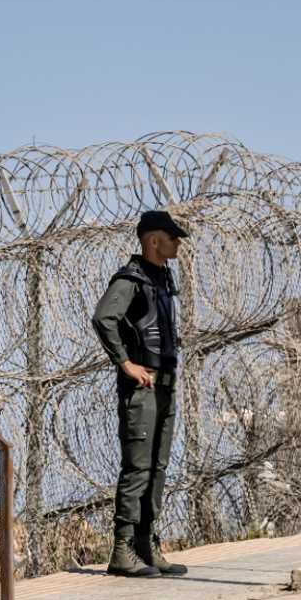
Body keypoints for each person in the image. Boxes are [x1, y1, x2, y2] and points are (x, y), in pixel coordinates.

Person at [91, 210, 190, 578]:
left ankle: (148, 545)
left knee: (158, 468)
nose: (178, 243)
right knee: (137, 468)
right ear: (153, 240)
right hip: (142, 388)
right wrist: (125, 363)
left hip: (165, 384)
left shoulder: (161, 278)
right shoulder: (130, 279)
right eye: (172, 237)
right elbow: (104, 318)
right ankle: (122, 550)